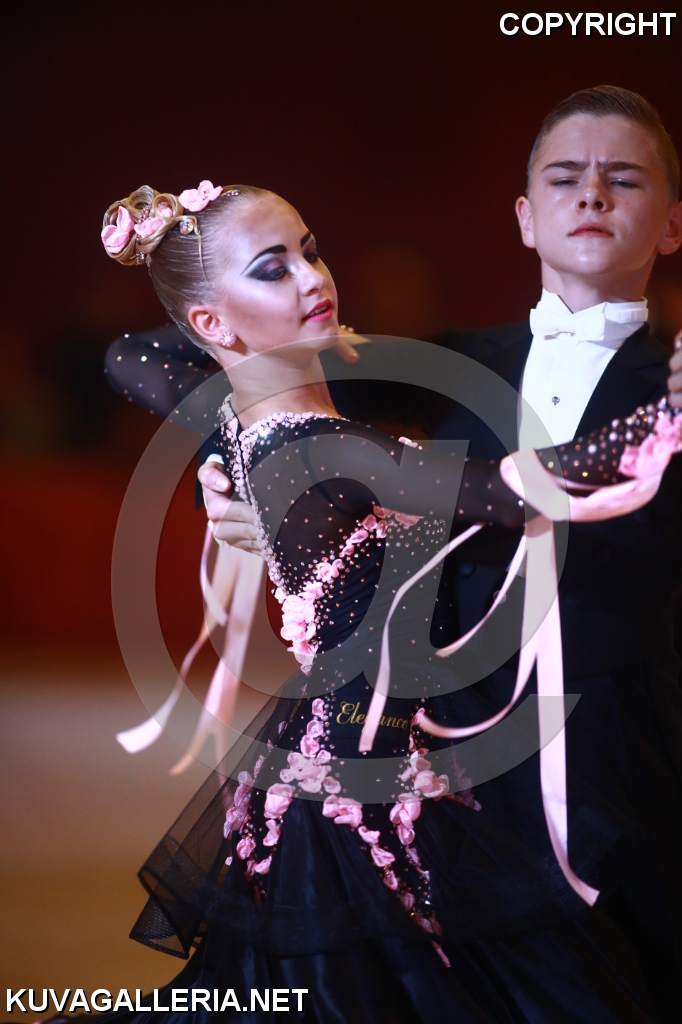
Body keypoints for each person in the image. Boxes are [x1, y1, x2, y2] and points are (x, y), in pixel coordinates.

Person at [87, 137, 681, 1022]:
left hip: (388, 764)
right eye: (272, 268)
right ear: (212, 323)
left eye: (310, 250)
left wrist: (229, 401)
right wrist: (668, 417)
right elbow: (508, 489)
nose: (311, 277)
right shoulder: (318, 444)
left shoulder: (265, 420)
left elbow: (150, 361)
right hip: (363, 794)